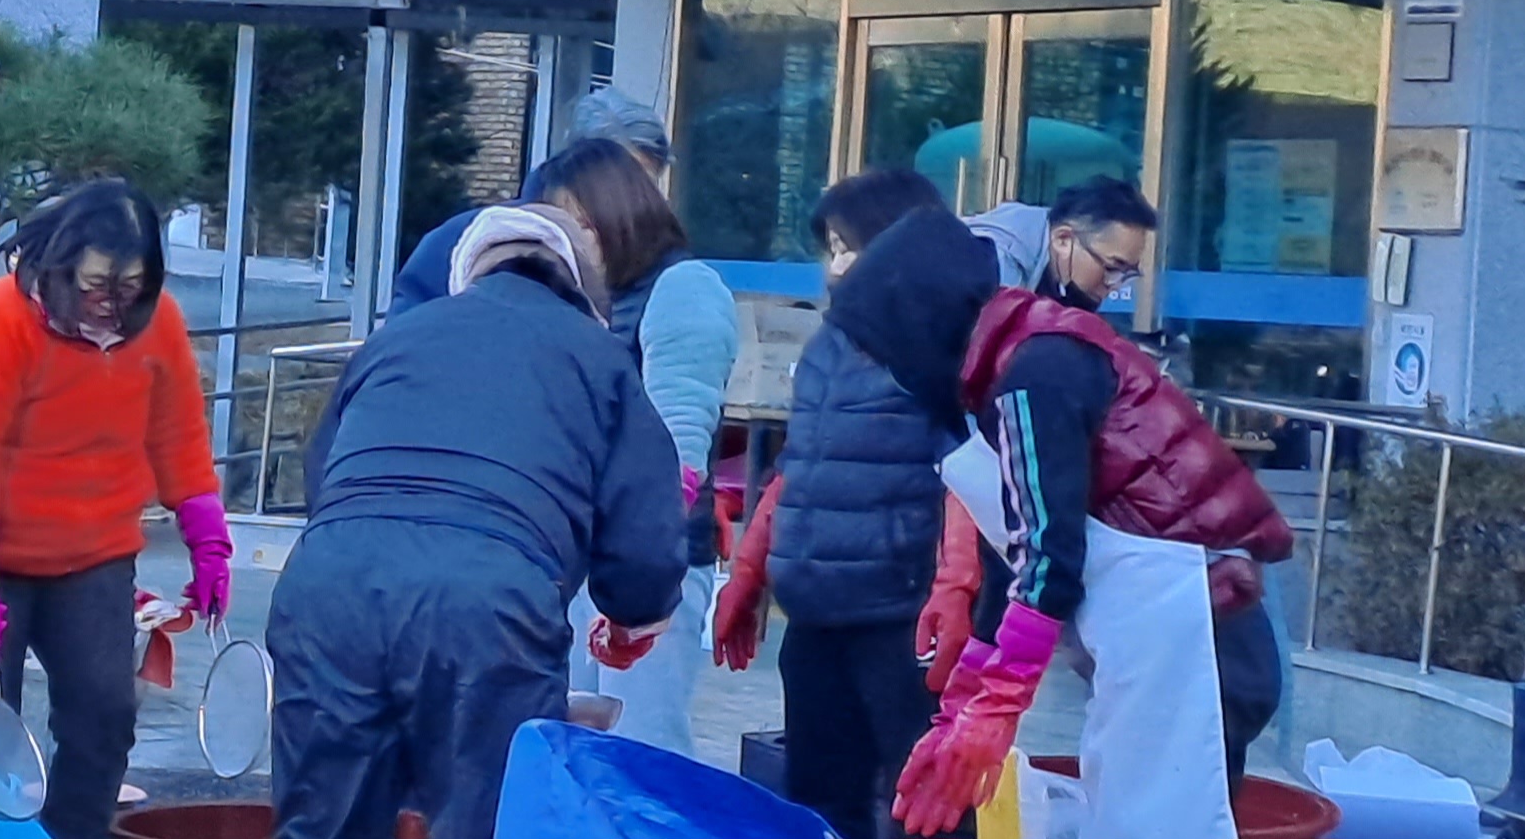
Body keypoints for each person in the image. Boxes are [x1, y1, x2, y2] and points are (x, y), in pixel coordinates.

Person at [844, 180, 1295, 836]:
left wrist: (997, 701)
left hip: (1199, 634)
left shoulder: (1037, 374)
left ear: (919, 327)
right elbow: (1021, 547)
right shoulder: (1014, 362)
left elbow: (1050, 552)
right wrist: (966, 695)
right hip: (1159, 633)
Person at [268, 205, 687, 839]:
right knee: (489, 822)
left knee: (322, 824)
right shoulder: (597, 356)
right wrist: (635, 611)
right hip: (488, 603)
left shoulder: (397, 338)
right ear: (579, 288)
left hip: (330, 588)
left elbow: (323, 475)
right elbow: (645, 533)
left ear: (469, 272)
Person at [0, 179, 225, 839]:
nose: (110, 303)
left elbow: (178, 433)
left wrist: (207, 535)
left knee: (104, 714)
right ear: (61, 263)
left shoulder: (159, 324)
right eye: (97, 284)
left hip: (95, 554)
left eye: (130, 287)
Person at [713, 171, 962, 839]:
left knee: (923, 806)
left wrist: (954, 590)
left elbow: (970, 480)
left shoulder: (940, 340)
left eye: (848, 247)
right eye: (830, 248)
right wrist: (750, 572)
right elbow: (799, 467)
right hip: (816, 612)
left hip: (897, 613)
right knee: (819, 801)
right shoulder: (829, 341)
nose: (836, 266)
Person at [529, 135, 740, 760]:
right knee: (571, 742)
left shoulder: (683, 287)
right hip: (576, 556)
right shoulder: (584, 300)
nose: (571, 241)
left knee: (642, 745)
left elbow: (680, 445)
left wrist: (642, 565)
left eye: (581, 223)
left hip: (649, 559)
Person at [385, 87, 673, 316]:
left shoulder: (660, 265)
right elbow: (404, 348)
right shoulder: (460, 242)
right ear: (578, 163)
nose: (637, 202)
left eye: (647, 186)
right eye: (623, 184)